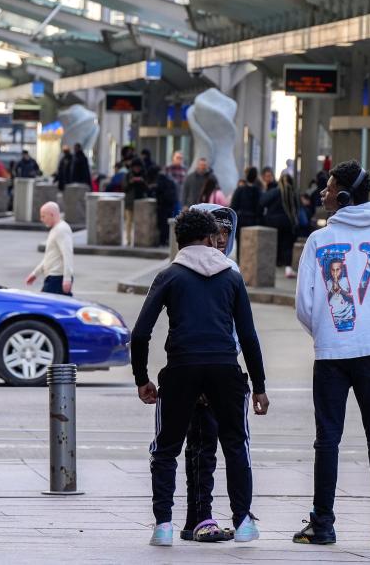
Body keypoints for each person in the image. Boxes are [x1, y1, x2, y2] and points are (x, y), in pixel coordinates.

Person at [292, 160, 370, 547]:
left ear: (345, 197)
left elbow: (305, 303)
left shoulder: (319, 242)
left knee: (327, 439)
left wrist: (329, 334)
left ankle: (323, 523)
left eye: (329, 188)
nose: (323, 193)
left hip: (332, 354)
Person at [131, 208, 269, 546]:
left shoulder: (169, 276)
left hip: (182, 367)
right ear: (210, 239)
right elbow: (248, 336)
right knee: (236, 445)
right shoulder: (232, 278)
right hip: (225, 367)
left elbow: (139, 333)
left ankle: (163, 526)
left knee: (166, 449)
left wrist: (142, 378)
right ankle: (243, 522)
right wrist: (260, 387)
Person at [178, 205, 241, 543]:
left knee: (210, 445)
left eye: (226, 233)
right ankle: (200, 517)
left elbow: (240, 331)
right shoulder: (186, 270)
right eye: (213, 232)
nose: (219, 240)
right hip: (201, 370)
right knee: (201, 445)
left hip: (222, 370)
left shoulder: (231, 269)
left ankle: (199, 516)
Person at [25, 202, 74, 295]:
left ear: (52, 214)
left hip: (57, 278)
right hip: (53, 277)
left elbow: (67, 254)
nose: (41, 219)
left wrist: (67, 278)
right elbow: (50, 256)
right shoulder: (56, 229)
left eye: (43, 216)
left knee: (47, 305)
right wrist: (35, 273)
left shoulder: (61, 230)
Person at [261, 172, 299, 278]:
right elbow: (296, 209)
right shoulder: (293, 193)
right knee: (287, 246)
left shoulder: (275, 192)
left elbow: (262, 202)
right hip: (288, 223)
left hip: (273, 223)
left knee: (274, 245)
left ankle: (274, 267)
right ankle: (288, 268)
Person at [147, 165, 179, 248]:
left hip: (163, 205)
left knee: (162, 224)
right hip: (170, 205)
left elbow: (158, 191)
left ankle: (162, 241)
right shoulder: (168, 179)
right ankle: (166, 241)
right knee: (167, 224)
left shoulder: (159, 180)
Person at [230, 167, 263, 235]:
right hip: (253, 224)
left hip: (240, 222)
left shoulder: (240, 190)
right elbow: (260, 209)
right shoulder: (258, 191)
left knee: (241, 244)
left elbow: (233, 206)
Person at [124, 159, 149, 245]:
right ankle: (128, 240)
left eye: (138, 167)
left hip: (140, 202)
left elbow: (147, 188)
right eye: (135, 167)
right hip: (129, 202)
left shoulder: (144, 175)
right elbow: (124, 188)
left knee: (139, 222)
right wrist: (130, 182)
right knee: (129, 222)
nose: (137, 169)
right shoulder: (128, 175)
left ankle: (139, 240)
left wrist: (142, 182)